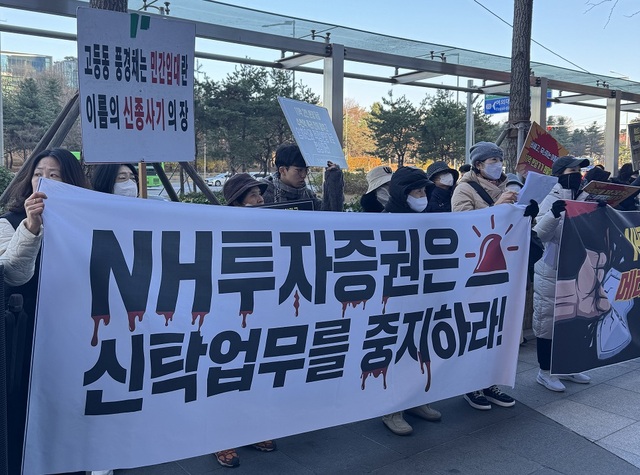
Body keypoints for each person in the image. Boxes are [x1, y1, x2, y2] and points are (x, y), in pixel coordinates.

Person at [0, 148, 90, 475]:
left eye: (55, 176)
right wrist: (31, 226)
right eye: (39, 174)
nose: (45, 182)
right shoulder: (9, 223)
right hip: (28, 343)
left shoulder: (87, 224)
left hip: (77, 338)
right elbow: (13, 274)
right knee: (26, 419)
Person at [212, 173, 276, 468]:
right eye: (253, 195)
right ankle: (219, 439)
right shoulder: (219, 229)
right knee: (225, 376)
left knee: (254, 375)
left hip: (259, 314)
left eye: (260, 194)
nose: (260, 200)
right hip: (226, 318)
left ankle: (251, 430)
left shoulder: (272, 226)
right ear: (237, 202)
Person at [450, 141, 517, 411]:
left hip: (504, 267)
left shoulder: (509, 186)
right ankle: (470, 386)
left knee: (495, 329)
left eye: (499, 160)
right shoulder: (464, 189)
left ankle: (490, 382)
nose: (498, 165)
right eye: (492, 161)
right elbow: (462, 225)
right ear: (478, 165)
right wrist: (498, 206)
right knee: (474, 327)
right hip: (475, 269)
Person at [379, 166, 442, 435]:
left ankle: (416, 400)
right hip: (394, 299)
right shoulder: (384, 220)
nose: (421, 196)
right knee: (395, 351)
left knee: (420, 349)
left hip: (422, 296)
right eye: (416, 191)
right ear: (402, 193)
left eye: (424, 190)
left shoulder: (427, 218)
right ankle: (391, 409)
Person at [532, 155, 593, 392]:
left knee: (573, 319)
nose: (577, 175)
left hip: (578, 267)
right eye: (572, 170)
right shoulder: (550, 198)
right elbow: (539, 234)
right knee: (548, 322)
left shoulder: (586, 197)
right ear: (560, 174)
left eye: (579, 170)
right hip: (551, 268)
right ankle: (545, 372)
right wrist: (553, 215)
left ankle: (568, 366)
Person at [261, 143, 344, 211]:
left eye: (306, 170)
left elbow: (329, 216)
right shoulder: (262, 193)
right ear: (282, 170)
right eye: (299, 170)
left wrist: (334, 179)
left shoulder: (308, 195)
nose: (304, 175)